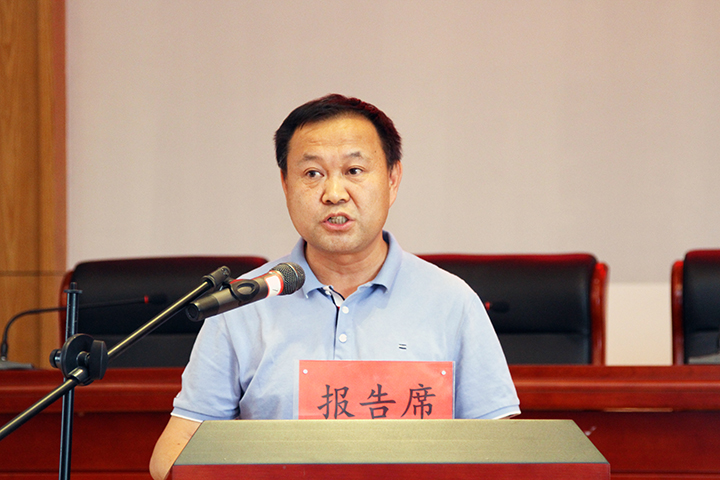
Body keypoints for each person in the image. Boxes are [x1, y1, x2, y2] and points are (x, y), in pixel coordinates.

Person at [149, 94, 519, 479]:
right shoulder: (244, 303)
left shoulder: (451, 301)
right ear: (285, 184)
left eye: (354, 170)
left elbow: (504, 455)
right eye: (312, 174)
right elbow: (173, 453)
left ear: (392, 179)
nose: (334, 193)